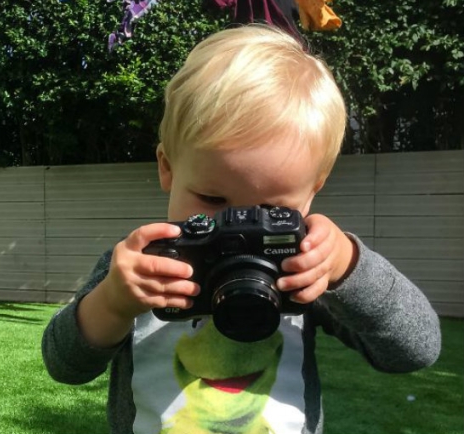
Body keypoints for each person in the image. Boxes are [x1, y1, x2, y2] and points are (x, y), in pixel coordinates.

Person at [41, 24, 441, 434]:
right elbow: (64, 365)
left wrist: (346, 266)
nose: (237, 227)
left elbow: (416, 350)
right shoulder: (144, 265)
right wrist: (113, 303)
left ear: (313, 190)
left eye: (272, 211)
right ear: (167, 168)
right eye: (213, 201)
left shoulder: (302, 268)